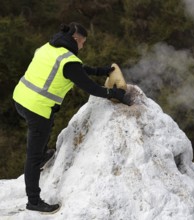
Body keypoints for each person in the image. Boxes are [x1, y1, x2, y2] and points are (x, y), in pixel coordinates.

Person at [12, 22, 126, 213]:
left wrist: (102, 70)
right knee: (32, 156)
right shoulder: (67, 60)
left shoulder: (48, 47)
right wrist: (114, 94)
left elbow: (78, 69)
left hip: (20, 99)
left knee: (46, 127)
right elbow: (90, 87)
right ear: (75, 39)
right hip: (37, 108)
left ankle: (41, 157)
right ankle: (33, 200)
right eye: (83, 43)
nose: (83, 46)